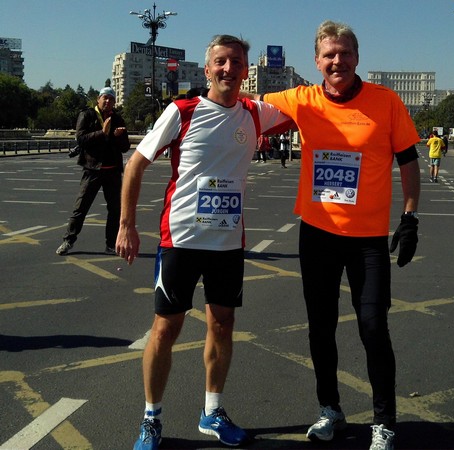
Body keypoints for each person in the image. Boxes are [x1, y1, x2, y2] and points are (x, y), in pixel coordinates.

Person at [246, 20, 421, 450]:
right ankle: (330, 409)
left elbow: (408, 160)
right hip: (318, 234)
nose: (337, 60)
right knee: (320, 328)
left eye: (344, 53)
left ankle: (384, 422)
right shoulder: (300, 99)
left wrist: (410, 217)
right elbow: (244, 107)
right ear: (317, 61)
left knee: (373, 326)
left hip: (368, 240)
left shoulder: (385, 101)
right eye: (329, 54)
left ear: (357, 58)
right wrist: (189, 106)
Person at [117, 35, 291, 450]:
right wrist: (126, 225)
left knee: (222, 325)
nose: (229, 69)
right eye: (221, 62)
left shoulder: (256, 113)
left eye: (237, 62)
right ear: (208, 68)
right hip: (180, 239)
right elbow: (135, 165)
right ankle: (151, 418)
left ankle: (212, 411)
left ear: (246, 71)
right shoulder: (182, 111)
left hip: (227, 244)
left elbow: (310, 109)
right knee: (165, 328)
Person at [56, 87, 130, 256]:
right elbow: (81, 139)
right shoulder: (87, 115)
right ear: (98, 99)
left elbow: (125, 147)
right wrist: (102, 132)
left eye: (111, 99)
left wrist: (118, 137)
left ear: (114, 102)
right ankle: (68, 240)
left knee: (115, 210)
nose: (108, 101)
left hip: (112, 171)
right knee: (81, 207)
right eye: (105, 98)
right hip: (92, 169)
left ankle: (111, 244)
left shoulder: (117, 118)